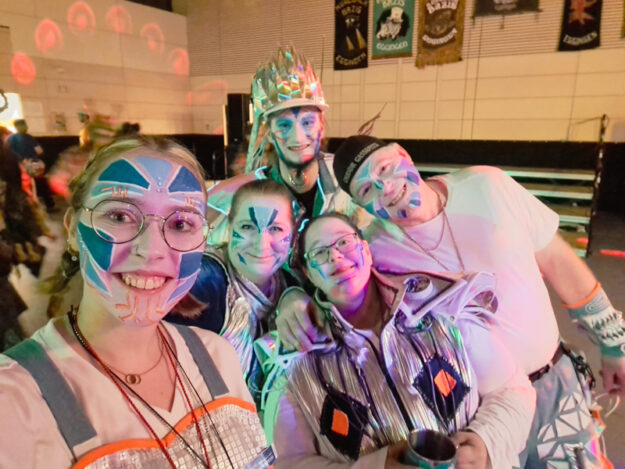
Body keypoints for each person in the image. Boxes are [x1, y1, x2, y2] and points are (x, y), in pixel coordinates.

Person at [322, 135, 620, 467]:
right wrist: (297, 303)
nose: (385, 188)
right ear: (361, 205)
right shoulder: (377, 251)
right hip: (478, 416)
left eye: (384, 169)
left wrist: (613, 340)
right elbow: (340, 301)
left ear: (403, 153)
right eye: (367, 190)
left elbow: (558, 262)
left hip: (552, 386)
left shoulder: (486, 188)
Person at [0, 136, 273, 468]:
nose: (152, 249)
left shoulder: (219, 357)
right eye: (119, 216)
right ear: (72, 229)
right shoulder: (13, 402)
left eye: (181, 223)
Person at [274, 213, 535, 468]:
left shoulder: (441, 310)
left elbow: (512, 389)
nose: (335, 255)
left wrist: (485, 442)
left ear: (366, 251)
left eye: (344, 241)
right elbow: (290, 460)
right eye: (319, 252)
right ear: (308, 274)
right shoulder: (295, 360)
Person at [205, 47, 369, 245]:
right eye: (284, 125)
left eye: (307, 122)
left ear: (322, 126)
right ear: (269, 133)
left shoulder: (349, 184)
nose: (298, 138)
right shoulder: (239, 197)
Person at [167, 180, 298, 409]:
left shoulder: (291, 284)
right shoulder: (205, 281)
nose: (261, 244)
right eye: (247, 227)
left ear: (293, 235)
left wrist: (295, 295)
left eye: (276, 229)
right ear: (229, 227)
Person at [8, 118, 55, 211]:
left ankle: (41, 205)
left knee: (33, 185)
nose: (25, 127)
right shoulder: (22, 138)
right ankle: (47, 205)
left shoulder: (16, 138)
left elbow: (11, 152)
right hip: (27, 164)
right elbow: (39, 151)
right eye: (23, 125)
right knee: (37, 184)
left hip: (26, 164)